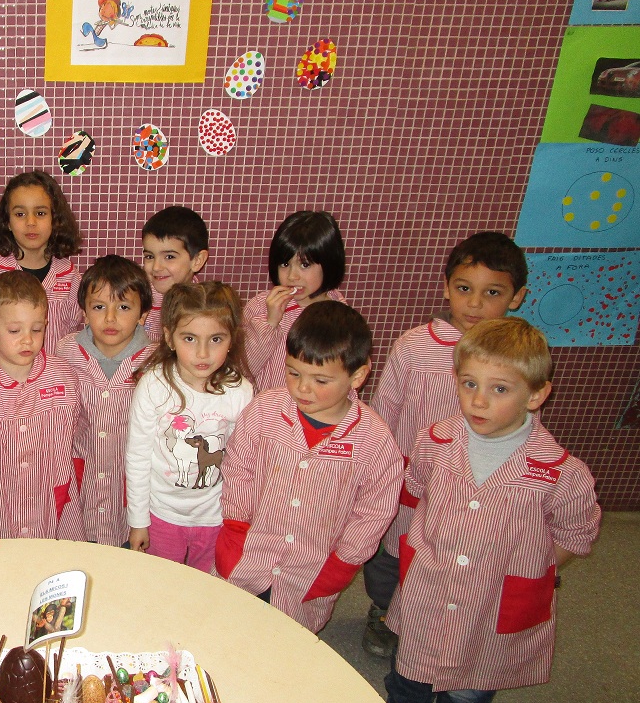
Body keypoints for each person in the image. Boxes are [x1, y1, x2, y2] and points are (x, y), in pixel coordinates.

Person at [385, 318, 600, 703]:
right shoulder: (434, 441)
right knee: (408, 672)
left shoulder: (561, 473)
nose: (478, 401)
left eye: (499, 389)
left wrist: (529, 567)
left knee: (470, 689)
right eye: (469, 384)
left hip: (493, 604)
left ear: (536, 395)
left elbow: (576, 534)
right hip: (430, 588)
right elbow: (417, 489)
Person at [362, 232, 529, 658]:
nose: (475, 303)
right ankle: (384, 610)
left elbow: (526, 429)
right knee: (391, 550)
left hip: (472, 487)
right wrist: (376, 468)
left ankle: (434, 619)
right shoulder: (415, 346)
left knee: (449, 554)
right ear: (446, 288)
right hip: (408, 477)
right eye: (464, 288)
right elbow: (384, 410)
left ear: (516, 297)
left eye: (492, 293)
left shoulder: (517, 358)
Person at [216, 301, 402, 631]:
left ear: (357, 376)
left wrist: (344, 563)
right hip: (248, 553)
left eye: (321, 380)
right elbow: (238, 469)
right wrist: (234, 527)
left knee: (288, 641)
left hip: (310, 572)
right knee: (227, 625)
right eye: (294, 373)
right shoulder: (264, 410)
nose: (302, 388)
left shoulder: (375, 439)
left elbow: (374, 511)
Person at [125, 282, 253, 571]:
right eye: (190, 338)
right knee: (160, 582)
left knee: (205, 587)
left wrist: (238, 521)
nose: (203, 353)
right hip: (161, 514)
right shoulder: (154, 385)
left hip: (215, 516)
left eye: (216, 339)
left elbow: (242, 464)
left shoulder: (240, 392)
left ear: (232, 339)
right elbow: (138, 457)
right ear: (169, 337)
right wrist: (138, 521)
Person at [0, 271, 83, 540]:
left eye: (36, 329)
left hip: (51, 507)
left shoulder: (64, 377)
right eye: (15, 331)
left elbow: (77, 435)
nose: (27, 339)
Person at [56, 255, 154, 546]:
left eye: (123, 307)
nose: (110, 318)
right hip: (80, 478)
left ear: (142, 315)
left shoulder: (156, 361)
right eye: (99, 307)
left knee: (123, 557)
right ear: (84, 313)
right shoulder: (66, 352)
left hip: (128, 485)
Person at [0, 171, 83, 364]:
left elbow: (71, 333)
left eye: (40, 213)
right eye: (20, 214)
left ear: (55, 219)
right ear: (7, 221)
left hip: (49, 379)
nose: (30, 222)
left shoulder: (70, 276)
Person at [243, 210, 347, 392]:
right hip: (264, 407)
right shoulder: (261, 306)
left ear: (329, 263)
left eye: (305, 265)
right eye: (285, 264)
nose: (292, 276)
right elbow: (243, 369)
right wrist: (270, 323)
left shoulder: (341, 317)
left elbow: (345, 379)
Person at [140, 206, 209, 342]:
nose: (156, 267)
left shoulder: (204, 305)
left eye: (169, 257)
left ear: (197, 260)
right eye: (149, 256)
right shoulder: (138, 296)